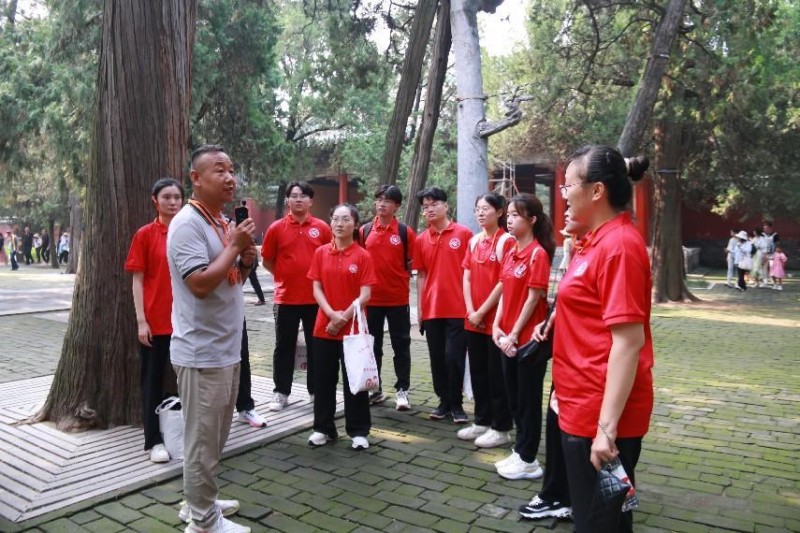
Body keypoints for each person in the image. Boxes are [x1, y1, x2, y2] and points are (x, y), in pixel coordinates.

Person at [537, 144, 653, 532]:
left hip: (598, 415)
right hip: (579, 403)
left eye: (568, 185)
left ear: (597, 191)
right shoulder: (593, 241)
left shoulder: (619, 248)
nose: (563, 195)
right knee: (599, 520)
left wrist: (606, 429)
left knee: (599, 524)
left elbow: (628, 342)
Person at [167, 144, 255, 533]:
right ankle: (202, 522)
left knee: (213, 438)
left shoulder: (220, 221)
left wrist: (245, 257)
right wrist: (235, 246)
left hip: (225, 347)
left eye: (231, 169)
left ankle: (200, 501)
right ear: (196, 178)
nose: (229, 177)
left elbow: (231, 276)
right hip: (201, 352)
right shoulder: (187, 224)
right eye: (219, 170)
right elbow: (200, 284)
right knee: (202, 442)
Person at [519, 206, 586, 522]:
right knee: (558, 424)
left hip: (584, 362)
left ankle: (567, 497)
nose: (565, 208)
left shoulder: (615, 247)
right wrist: (550, 321)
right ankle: (558, 494)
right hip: (567, 354)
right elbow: (565, 298)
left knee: (573, 432)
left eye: (572, 191)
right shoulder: (579, 246)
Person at [491, 193, 555, 480]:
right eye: (509, 214)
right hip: (506, 337)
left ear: (532, 219)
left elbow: (532, 299)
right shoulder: (511, 251)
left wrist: (515, 334)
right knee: (514, 398)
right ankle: (519, 450)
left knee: (528, 400)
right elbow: (505, 292)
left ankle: (529, 458)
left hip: (528, 340)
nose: (509, 220)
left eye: (516, 215)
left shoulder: (537, 254)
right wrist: (497, 326)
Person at [307, 204, 377, 449]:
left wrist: (342, 319)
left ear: (355, 224)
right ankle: (323, 428)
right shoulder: (321, 253)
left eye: (346, 219)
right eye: (335, 219)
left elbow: (365, 295)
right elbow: (316, 287)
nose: (339, 224)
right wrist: (330, 314)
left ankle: (358, 431)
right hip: (323, 327)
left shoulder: (363, 255)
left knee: (354, 380)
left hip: (353, 328)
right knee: (323, 380)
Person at [125, 178, 184, 463]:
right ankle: (153, 440)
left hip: (187, 322)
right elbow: (137, 281)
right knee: (152, 382)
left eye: (177, 197)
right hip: (156, 323)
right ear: (155, 201)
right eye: (166, 197)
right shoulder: (145, 235)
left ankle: (190, 433)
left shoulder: (189, 231)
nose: (172, 202)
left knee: (191, 380)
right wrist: (141, 321)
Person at [261, 181, 332, 411]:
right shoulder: (276, 228)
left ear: (311, 201)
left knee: (316, 346)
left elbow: (329, 258)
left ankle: (315, 391)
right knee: (284, 347)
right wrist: (284, 275)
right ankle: (281, 392)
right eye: (294, 195)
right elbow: (267, 260)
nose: (298, 199)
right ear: (287, 200)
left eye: (303, 196)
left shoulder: (322, 228)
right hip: (286, 298)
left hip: (315, 299)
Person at [459, 193, 515, 448]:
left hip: (496, 321)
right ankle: (481, 420)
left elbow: (505, 282)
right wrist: (471, 310)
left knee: (497, 375)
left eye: (486, 209)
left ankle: (501, 427)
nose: (480, 213)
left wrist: (482, 312)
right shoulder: (474, 241)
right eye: (477, 209)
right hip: (473, 320)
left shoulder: (506, 241)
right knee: (478, 372)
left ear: (500, 212)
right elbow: (467, 277)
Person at [413, 187, 473, 423]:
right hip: (432, 309)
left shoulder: (464, 234)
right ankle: (443, 402)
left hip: (458, 308)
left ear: (446, 206)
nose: (429, 209)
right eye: (425, 206)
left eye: (434, 204)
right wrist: (420, 309)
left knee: (454, 357)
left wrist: (472, 305)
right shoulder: (421, 239)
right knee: (436, 358)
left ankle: (457, 404)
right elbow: (421, 275)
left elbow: (471, 273)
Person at [359, 185, 416, 410]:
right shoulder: (364, 231)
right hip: (371, 300)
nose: (382, 204)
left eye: (388, 201)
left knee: (401, 346)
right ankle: (375, 388)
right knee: (373, 346)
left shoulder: (404, 232)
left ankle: (403, 390)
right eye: (379, 199)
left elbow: (411, 264)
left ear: (397, 206)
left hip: (398, 300)